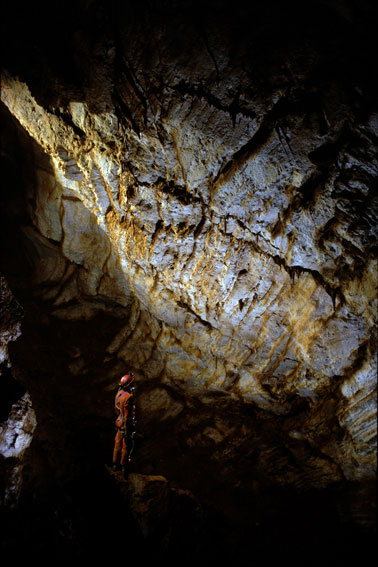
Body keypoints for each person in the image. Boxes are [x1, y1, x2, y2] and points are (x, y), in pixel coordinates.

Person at [112, 372, 136, 477]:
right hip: (125, 424)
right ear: (129, 385)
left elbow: (117, 409)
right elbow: (127, 416)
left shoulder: (119, 393)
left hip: (118, 421)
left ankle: (114, 464)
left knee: (117, 444)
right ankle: (124, 467)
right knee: (126, 446)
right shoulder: (128, 397)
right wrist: (126, 430)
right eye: (132, 384)